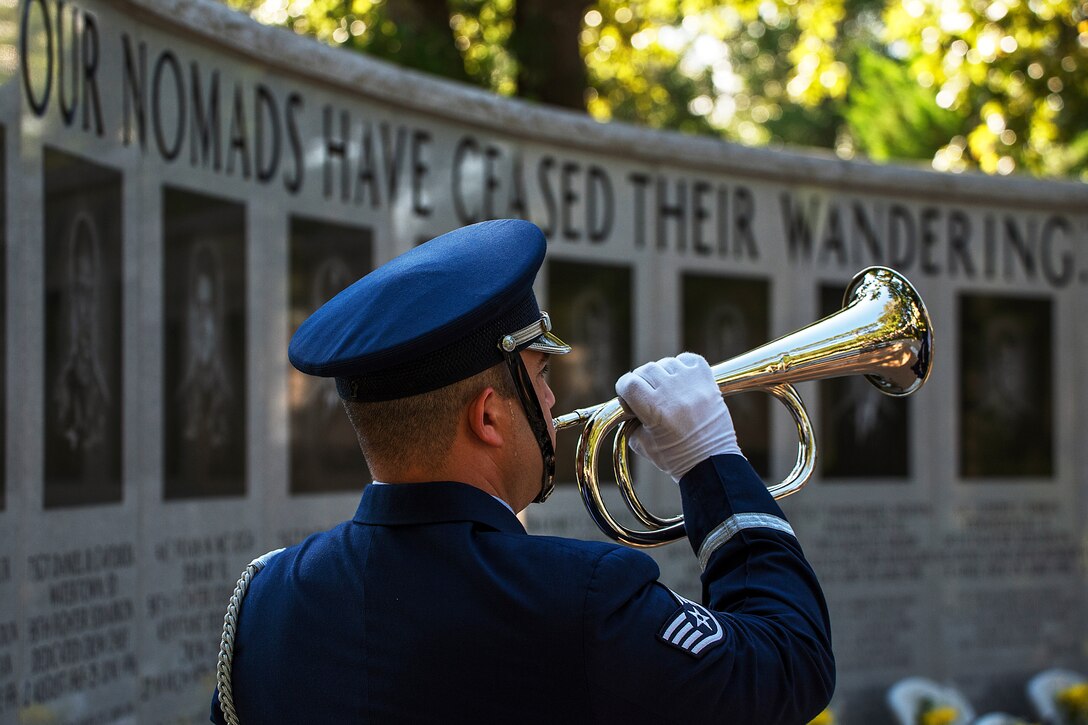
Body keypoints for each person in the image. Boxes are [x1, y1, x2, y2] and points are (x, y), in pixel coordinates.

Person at [209, 219, 834, 724]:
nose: (555, 402)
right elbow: (789, 663)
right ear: (487, 417)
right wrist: (711, 463)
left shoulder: (263, 602)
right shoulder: (585, 597)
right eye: (539, 378)